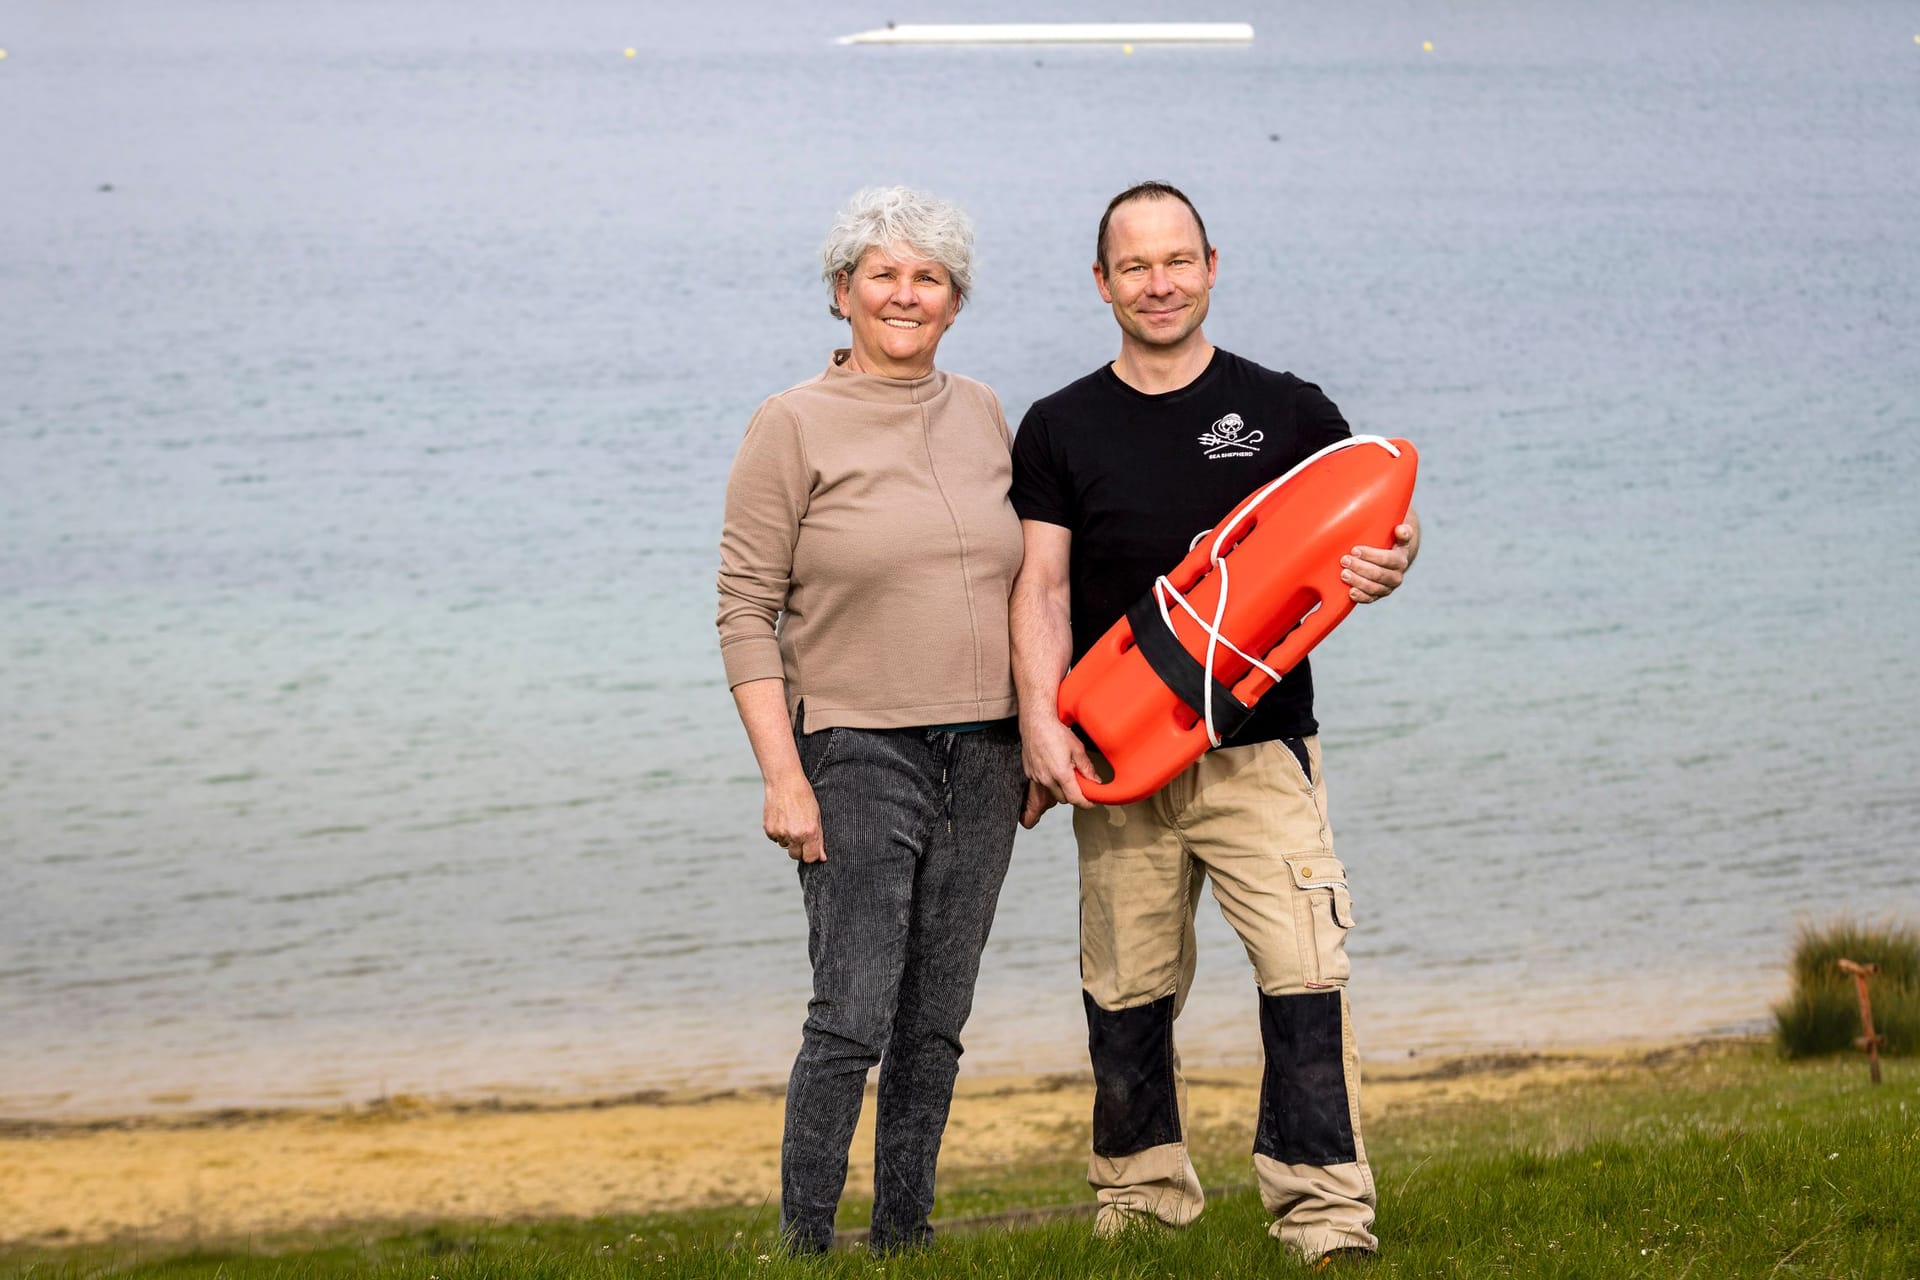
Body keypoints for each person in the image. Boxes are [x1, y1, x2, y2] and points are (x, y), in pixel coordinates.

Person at [1008, 180, 1420, 1265]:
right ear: (1101, 283)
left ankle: (1325, 1216)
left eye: (1177, 259)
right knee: (1126, 990)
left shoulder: (1288, 409)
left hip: (1262, 751)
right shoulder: (1058, 425)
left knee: (1304, 974)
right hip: (1120, 755)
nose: (1159, 283)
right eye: (1134, 266)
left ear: (1212, 264)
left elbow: (1366, 526)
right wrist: (1042, 734)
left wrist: (1396, 560)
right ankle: (1142, 1204)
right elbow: (1041, 592)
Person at [715, 186, 1027, 1254]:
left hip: (987, 750)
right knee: (850, 1013)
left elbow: (1029, 586)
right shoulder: (791, 421)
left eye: (929, 276)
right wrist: (781, 774)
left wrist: (1042, 734)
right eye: (883, 274)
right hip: (851, 747)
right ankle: (804, 1242)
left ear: (955, 300)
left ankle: (904, 1234)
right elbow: (745, 608)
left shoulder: (985, 410)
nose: (906, 293)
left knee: (934, 1021)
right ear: (842, 292)